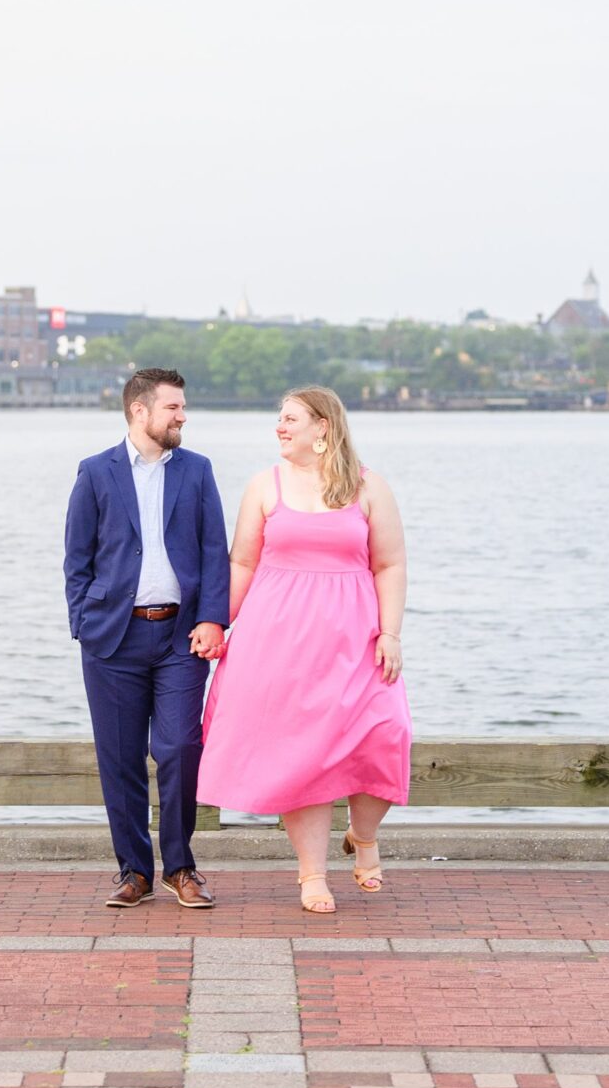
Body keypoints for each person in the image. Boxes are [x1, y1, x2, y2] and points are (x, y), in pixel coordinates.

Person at [198, 385, 410, 914]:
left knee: (387, 734)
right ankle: (312, 874)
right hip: (278, 644)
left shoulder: (369, 488)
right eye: (279, 417)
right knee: (303, 758)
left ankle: (364, 837)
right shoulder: (264, 486)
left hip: (355, 642)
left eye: (290, 417)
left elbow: (390, 564)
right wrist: (219, 624)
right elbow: (242, 563)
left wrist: (390, 632)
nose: (279, 426)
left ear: (323, 427)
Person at [63, 368, 231, 909]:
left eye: (182, 408)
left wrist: (213, 619)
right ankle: (133, 870)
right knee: (120, 758)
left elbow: (214, 552)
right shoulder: (95, 473)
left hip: (181, 638)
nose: (183, 416)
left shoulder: (198, 471)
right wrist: (83, 625)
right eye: (173, 408)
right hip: (112, 640)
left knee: (182, 747)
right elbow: (76, 560)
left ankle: (180, 867)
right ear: (140, 410)